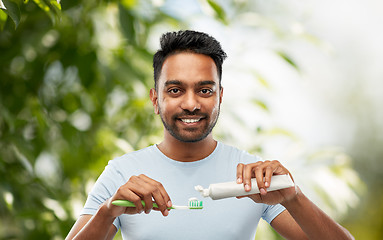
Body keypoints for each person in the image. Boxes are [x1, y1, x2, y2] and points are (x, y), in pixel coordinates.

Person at [66, 30, 354, 240]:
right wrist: (107, 212)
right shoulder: (122, 173)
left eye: (205, 90)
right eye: (175, 90)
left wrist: (294, 198)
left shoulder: (253, 179)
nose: (191, 103)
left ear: (220, 97)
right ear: (155, 100)